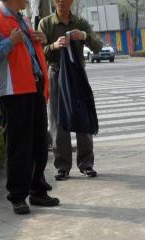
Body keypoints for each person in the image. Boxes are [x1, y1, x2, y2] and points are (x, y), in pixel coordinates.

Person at [0, 0, 59, 215]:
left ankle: (37, 190)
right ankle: (18, 196)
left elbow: (26, 51)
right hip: (13, 92)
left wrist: (39, 41)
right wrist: (9, 42)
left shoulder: (21, 18)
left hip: (34, 87)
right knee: (18, 148)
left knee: (39, 144)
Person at [39, 0, 102, 180]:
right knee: (58, 120)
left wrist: (83, 36)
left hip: (77, 75)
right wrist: (54, 46)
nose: (62, 2)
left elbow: (97, 46)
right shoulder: (46, 23)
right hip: (56, 74)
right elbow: (39, 52)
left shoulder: (80, 22)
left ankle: (86, 164)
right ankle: (63, 166)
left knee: (83, 116)